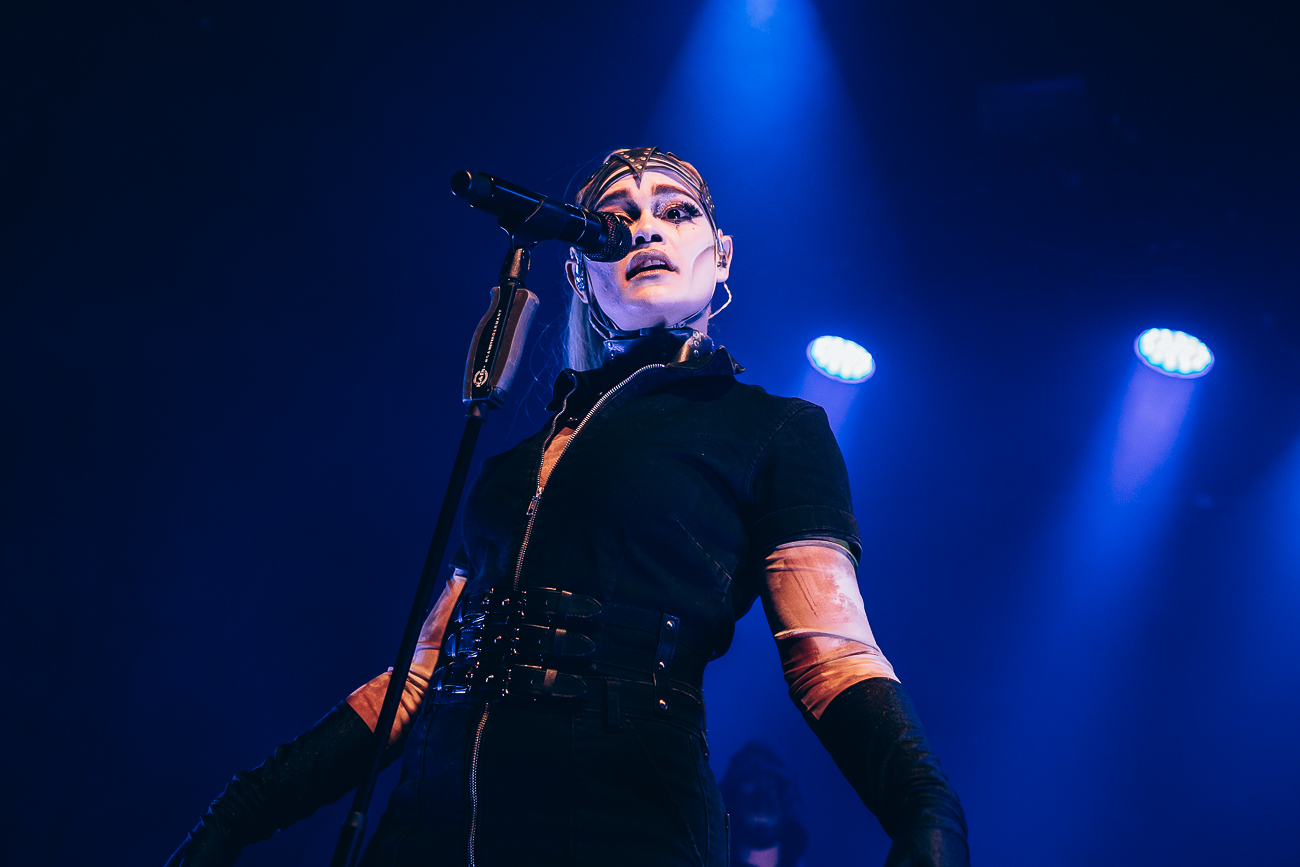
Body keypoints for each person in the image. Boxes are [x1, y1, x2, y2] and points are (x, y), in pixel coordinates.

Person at [167, 147, 969, 867]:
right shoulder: (512, 467)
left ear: (722, 255)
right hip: (429, 826)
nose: (644, 227)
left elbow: (832, 653)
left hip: (623, 819)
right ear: (582, 271)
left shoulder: (773, 428)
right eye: (617, 216)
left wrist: (924, 808)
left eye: (675, 211)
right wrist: (242, 809)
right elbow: (417, 678)